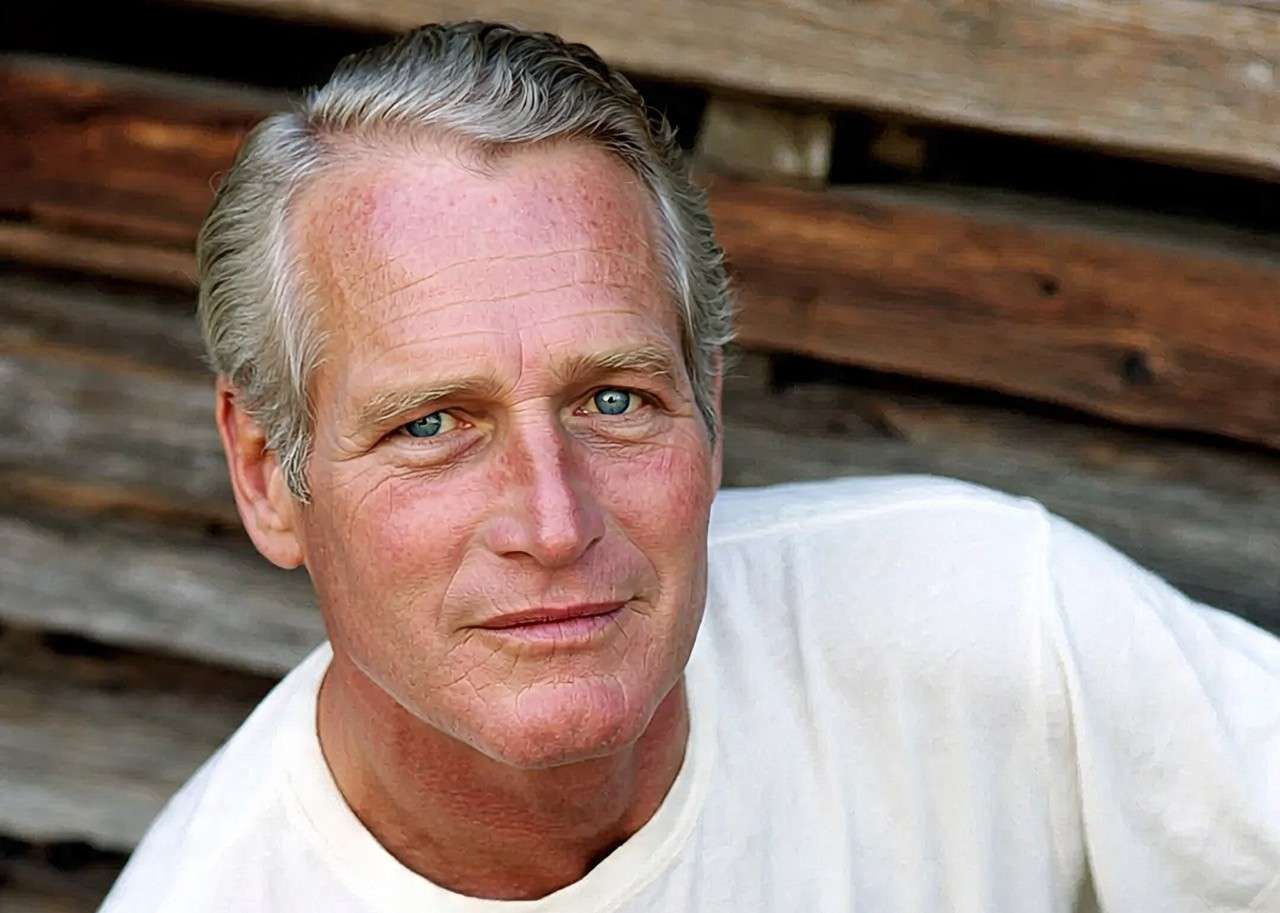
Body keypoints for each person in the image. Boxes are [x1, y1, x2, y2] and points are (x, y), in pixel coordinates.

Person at [99, 21, 1280, 913]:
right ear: (267, 471)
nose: (551, 522)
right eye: (432, 425)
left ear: (708, 409)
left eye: (613, 400)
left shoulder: (983, 613)